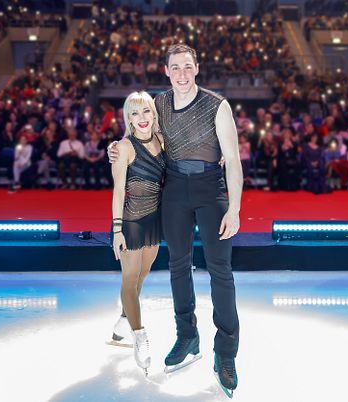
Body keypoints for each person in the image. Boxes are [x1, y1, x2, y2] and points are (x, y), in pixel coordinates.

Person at [109, 44, 242, 395]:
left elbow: (234, 160)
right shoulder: (160, 104)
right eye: (175, 67)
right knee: (179, 266)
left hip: (210, 189)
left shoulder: (218, 106)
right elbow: (141, 129)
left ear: (197, 68)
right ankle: (187, 336)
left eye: (187, 66)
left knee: (220, 270)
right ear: (166, 71)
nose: (182, 73)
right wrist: (118, 145)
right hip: (174, 190)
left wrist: (235, 208)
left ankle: (226, 354)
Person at [108, 91, 166, 376]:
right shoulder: (124, 147)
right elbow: (118, 190)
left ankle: (123, 320)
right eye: (134, 113)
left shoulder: (162, 140)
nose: (141, 119)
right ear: (127, 118)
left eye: (146, 112)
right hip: (130, 222)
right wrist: (117, 230)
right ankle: (139, 336)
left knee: (142, 277)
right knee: (130, 281)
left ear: (153, 114)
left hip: (155, 221)